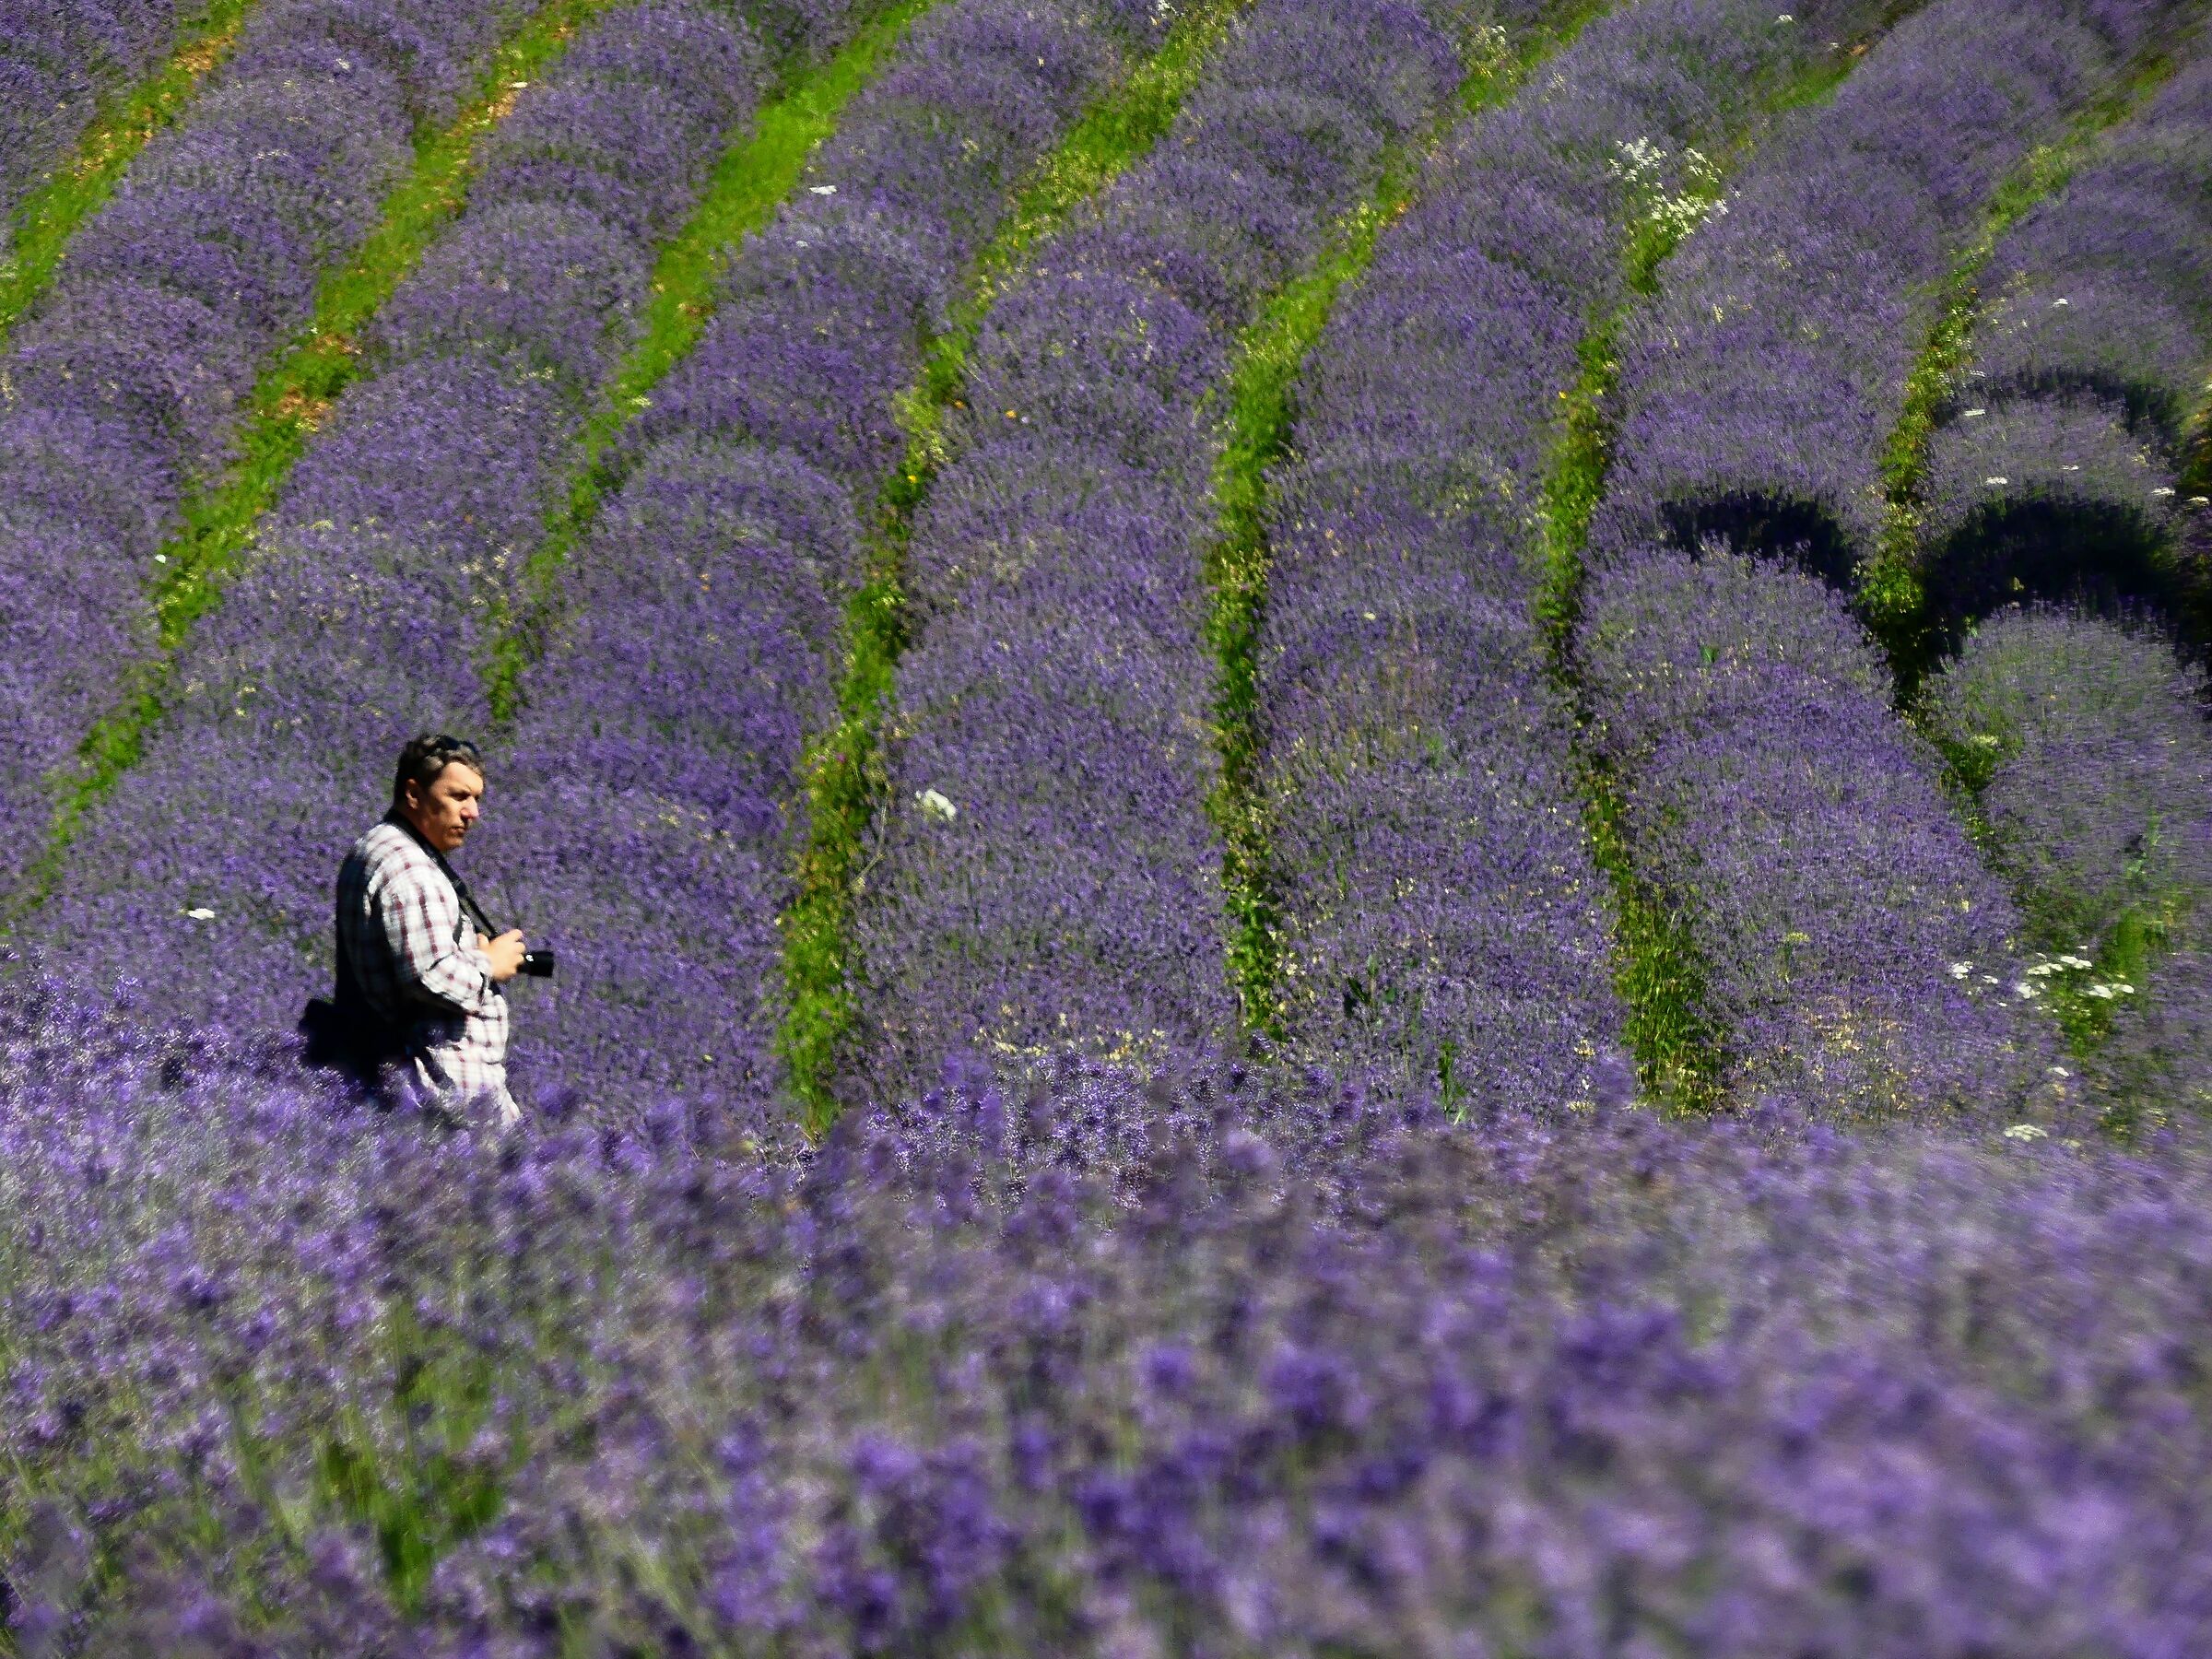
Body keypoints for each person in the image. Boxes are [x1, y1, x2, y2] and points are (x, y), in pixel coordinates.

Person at [327, 734, 525, 1129]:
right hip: (442, 1092)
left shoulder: (380, 848)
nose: (473, 813)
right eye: (458, 796)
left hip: (415, 1082)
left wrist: (469, 951)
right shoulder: (409, 870)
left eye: (477, 799)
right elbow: (430, 976)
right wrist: (489, 963)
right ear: (414, 793)